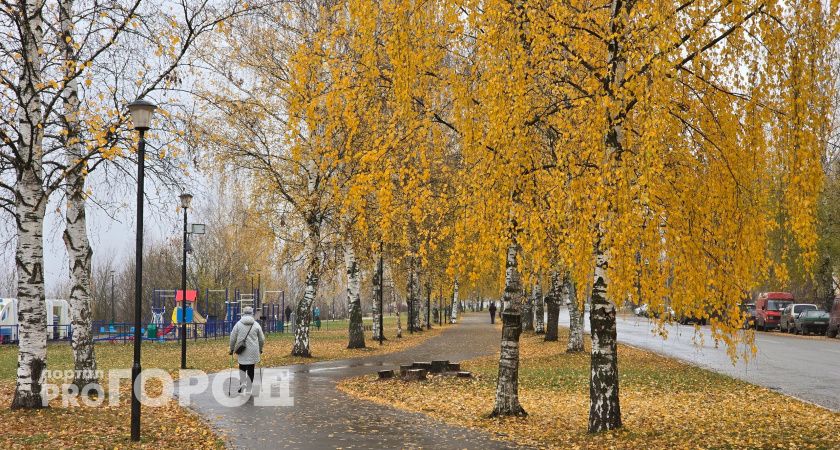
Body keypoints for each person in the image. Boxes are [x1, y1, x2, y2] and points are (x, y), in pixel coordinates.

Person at [229, 306, 265, 394]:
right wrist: (260, 348)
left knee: (242, 367)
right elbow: (262, 339)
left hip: (242, 350)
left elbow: (232, 338)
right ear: (252, 313)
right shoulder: (256, 324)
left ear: (243, 313)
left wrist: (232, 349)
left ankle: (242, 385)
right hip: (253, 351)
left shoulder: (238, 324)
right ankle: (249, 388)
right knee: (251, 369)